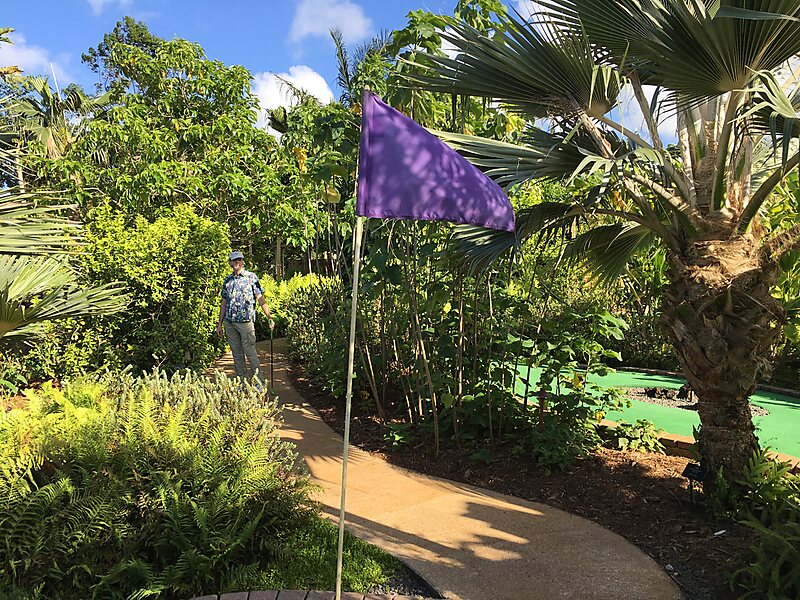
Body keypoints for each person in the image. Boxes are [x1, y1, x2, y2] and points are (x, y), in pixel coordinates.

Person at [217, 250, 274, 386]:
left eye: (239, 260)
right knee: (237, 356)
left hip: (246, 323)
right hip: (230, 323)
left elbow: (260, 297)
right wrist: (220, 323)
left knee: (251, 354)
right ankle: (242, 384)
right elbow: (224, 302)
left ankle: (258, 385)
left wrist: (269, 317)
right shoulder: (227, 280)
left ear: (243, 261)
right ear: (230, 263)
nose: (237, 262)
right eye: (234, 260)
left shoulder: (251, 277)